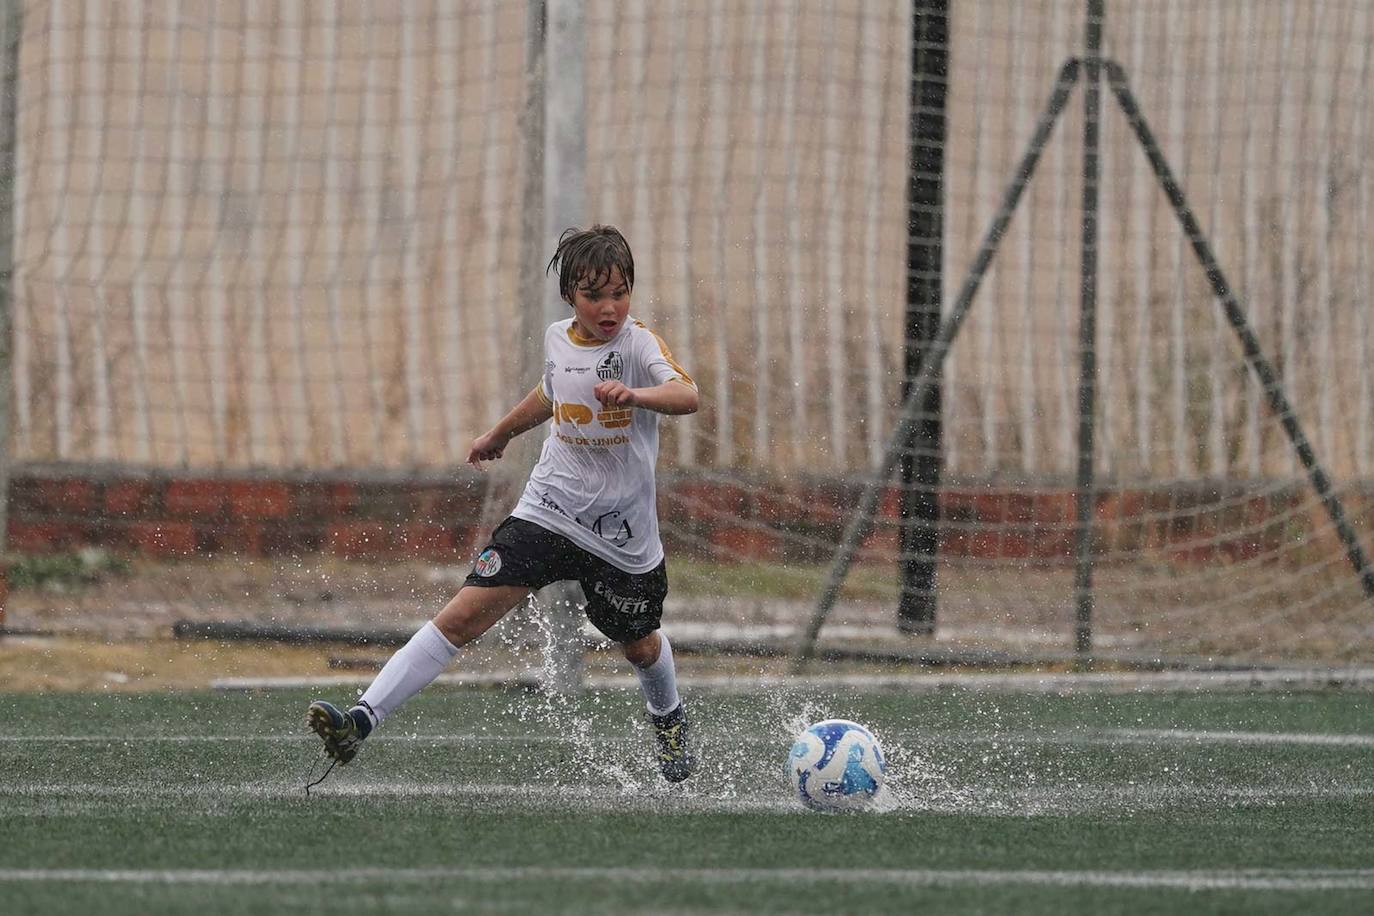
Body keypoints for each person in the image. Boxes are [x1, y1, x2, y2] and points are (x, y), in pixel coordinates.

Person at [306, 225, 701, 782]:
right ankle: (361, 720)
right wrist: (500, 433)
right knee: (462, 616)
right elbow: (549, 393)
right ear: (570, 296)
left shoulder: (638, 345)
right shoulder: (558, 338)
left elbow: (688, 394)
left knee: (639, 646)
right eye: (594, 295)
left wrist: (637, 395)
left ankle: (669, 720)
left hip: (620, 535)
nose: (609, 307)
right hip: (548, 510)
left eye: (620, 292)